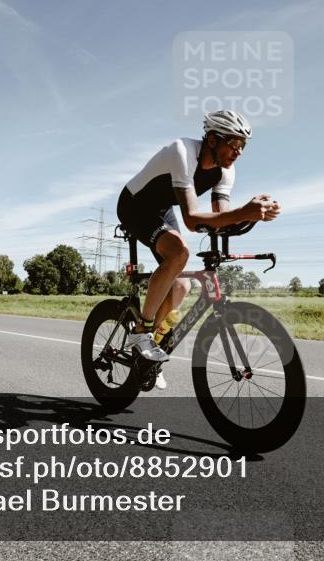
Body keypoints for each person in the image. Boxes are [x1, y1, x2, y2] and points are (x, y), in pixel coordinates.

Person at [116, 109, 281, 386]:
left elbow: (220, 219)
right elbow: (192, 219)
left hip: (161, 209)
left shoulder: (225, 172)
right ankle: (141, 331)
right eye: (234, 143)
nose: (238, 152)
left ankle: (148, 351)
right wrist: (243, 212)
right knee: (179, 253)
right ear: (214, 140)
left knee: (182, 286)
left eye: (243, 146)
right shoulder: (182, 152)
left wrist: (253, 214)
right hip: (135, 205)